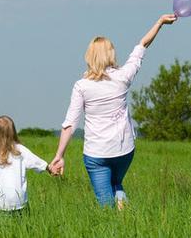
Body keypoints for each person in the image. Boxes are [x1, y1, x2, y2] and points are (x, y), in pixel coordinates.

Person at [49, 14, 177, 209]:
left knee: (105, 205)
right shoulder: (123, 77)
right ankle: (125, 213)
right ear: (111, 54)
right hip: (124, 150)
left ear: (89, 57)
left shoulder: (81, 86)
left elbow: (70, 124)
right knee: (116, 183)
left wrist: (59, 155)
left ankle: (118, 222)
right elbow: (142, 45)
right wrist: (160, 23)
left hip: (96, 154)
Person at [0, 115, 51, 213]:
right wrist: (49, 168)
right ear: (13, 132)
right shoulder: (20, 150)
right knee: (22, 227)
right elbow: (37, 162)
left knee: (0, 228)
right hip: (20, 202)